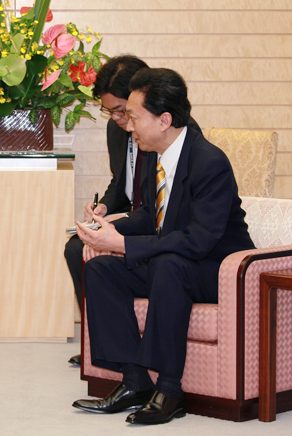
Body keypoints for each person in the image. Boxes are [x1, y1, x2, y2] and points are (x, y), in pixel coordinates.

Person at [71, 68, 254, 425]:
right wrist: (113, 227)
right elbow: (151, 213)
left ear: (164, 120)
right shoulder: (155, 154)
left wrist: (124, 245)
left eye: (135, 117)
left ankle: (170, 389)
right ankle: (134, 381)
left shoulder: (208, 162)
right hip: (179, 263)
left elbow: (199, 239)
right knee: (99, 267)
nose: (129, 126)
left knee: (169, 264)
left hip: (218, 270)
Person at [64, 56, 200, 366]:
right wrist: (105, 209)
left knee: (88, 251)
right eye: (109, 111)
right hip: (134, 213)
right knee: (76, 248)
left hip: (158, 223)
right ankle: (101, 340)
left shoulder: (171, 136)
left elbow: (163, 206)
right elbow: (121, 182)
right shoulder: (118, 129)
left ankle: (132, 357)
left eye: (121, 111)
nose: (117, 119)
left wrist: (119, 227)